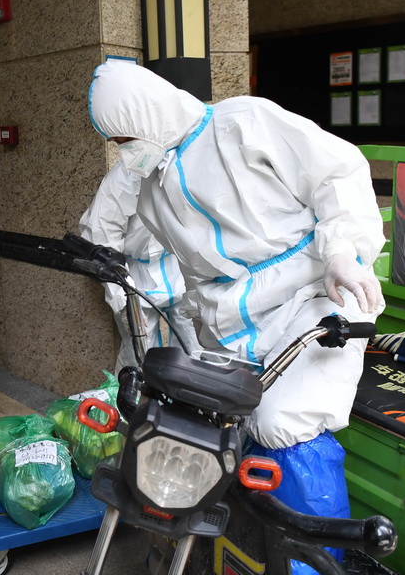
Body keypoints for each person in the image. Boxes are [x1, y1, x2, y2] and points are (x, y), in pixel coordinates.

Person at [87, 62, 385, 572]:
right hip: (232, 325)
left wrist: (342, 249)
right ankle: (240, 549)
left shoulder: (242, 122)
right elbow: (157, 258)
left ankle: (314, 564)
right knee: (207, 421)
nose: (125, 150)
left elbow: (337, 171)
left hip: (316, 296)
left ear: (148, 115)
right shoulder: (153, 180)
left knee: (283, 423)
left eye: (125, 138)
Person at [79, 160, 199, 371]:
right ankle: (133, 403)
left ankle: (191, 401)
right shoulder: (124, 176)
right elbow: (100, 235)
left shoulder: (188, 161)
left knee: (195, 349)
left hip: (181, 266)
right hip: (135, 274)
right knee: (138, 355)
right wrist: (122, 300)